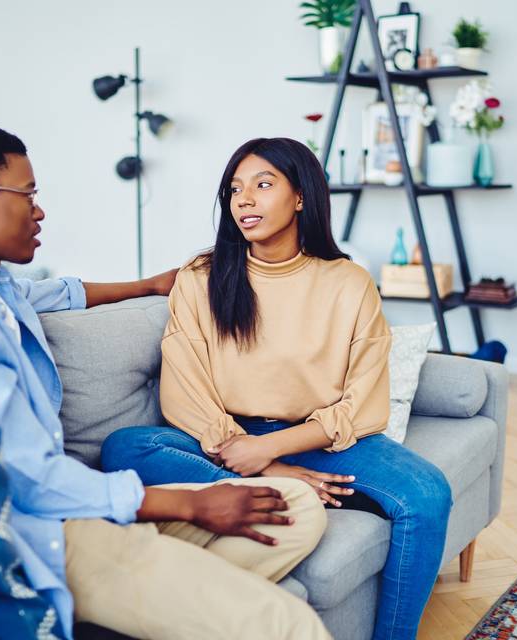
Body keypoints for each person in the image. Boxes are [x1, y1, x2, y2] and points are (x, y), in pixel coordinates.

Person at [0, 123, 331, 640]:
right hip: (34, 533)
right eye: (28, 195)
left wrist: (148, 284)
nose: (39, 211)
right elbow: (24, 478)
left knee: (296, 505)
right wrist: (191, 505)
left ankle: (166, 604)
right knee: (288, 624)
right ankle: (178, 598)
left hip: (79, 508)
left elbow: (61, 293)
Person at [101, 137, 452, 640]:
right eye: (235, 190)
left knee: (427, 494)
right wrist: (263, 461)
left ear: (301, 197)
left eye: (263, 185)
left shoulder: (348, 282)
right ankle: (287, 482)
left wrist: (272, 448)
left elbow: (364, 403)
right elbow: (184, 388)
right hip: (224, 441)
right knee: (126, 446)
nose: (244, 200)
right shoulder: (202, 277)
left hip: (319, 442)